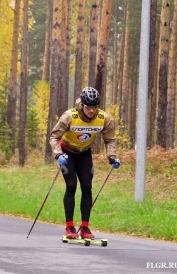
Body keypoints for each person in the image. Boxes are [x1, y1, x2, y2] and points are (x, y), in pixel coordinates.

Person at [49, 86, 121, 240]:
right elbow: (54, 137)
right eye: (88, 107)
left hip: (84, 154)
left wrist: (112, 156)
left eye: (94, 107)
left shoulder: (103, 118)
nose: (91, 111)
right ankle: (69, 226)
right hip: (67, 152)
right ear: (82, 105)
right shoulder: (69, 116)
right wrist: (58, 154)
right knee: (71, 186)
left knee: (87, 187)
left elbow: (110, 139)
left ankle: (85, 227)